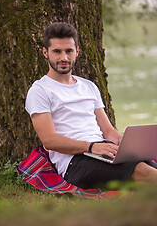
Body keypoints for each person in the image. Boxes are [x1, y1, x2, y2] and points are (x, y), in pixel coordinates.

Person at [25, 22, 157, 189]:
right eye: (57, 51)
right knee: (143, 172)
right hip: (74, 162)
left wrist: (125, 145)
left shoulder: (89, 86)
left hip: (101, 151)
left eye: (69, 51)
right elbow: (49, 141)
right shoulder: (40, 90)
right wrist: (91, 147)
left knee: (149, 166)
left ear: (77, 52)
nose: (64, 58)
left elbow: (108, 131)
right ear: (45, 53)